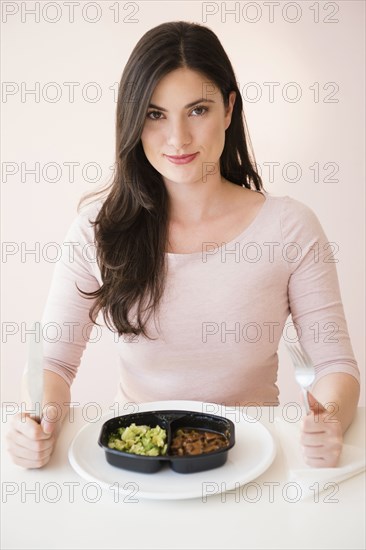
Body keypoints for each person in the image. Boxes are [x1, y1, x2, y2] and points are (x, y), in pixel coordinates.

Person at [7, 21, 360, 470]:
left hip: (252, 461)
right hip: (136, 463)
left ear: (229, 109)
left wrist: (327, 420)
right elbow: (53, 362)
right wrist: (39, 420)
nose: (178, 139)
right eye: (155, 114)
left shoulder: (290, 227)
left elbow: (334, 367)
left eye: (197, 110)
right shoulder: (97, 229)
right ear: (133, 120)